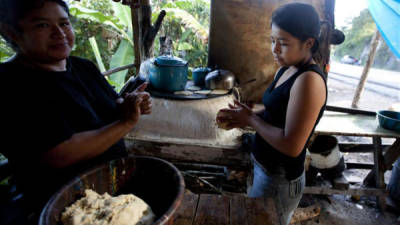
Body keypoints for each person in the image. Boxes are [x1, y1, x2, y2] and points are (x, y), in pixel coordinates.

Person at [0, 0, 152, 220]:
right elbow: (58, 153)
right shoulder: (9, 83)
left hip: (114, 191)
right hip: (57, 206)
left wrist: (132, 103)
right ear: (11, 32)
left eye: (64, 23)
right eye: (43, 25)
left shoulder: (83, 67)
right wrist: (126, 123)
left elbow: (113, 106)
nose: (59, 33)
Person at [217, 3, 327, 225]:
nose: (274, 49)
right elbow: (275, 109)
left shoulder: (309, 81)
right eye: (272, 40)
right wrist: (248, 113)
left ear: (308, 43)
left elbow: (292, 145)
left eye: (283, 43)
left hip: (279, 180)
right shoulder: (286, 69)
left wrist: (250, 120)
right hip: (264, 168)